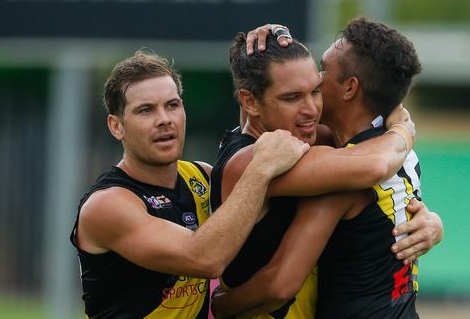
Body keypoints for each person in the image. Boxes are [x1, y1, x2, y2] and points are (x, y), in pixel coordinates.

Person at [212, 19, 442, 318]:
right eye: (293, 96)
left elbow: (281, 286)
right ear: (250, 101)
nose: (311, 103)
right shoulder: (386, 153)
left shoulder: (342, 165)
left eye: (317, 83)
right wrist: (402, 130)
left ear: (349, 87)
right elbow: (375, 163)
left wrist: (216, 306)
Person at [69, 50, 312, 319]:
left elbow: (260, 121)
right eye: (146, 110)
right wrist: (261, 169)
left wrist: (261, 50)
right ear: (117, 126)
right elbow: (205, 258)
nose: (164, 119)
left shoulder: (201, 177)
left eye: (172, 105)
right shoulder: (107, 205)